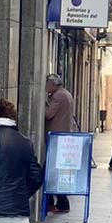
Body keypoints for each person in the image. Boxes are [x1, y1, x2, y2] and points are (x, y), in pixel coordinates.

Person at [44, 74, 76, 211]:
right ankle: (53, 202)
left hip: (57, 138)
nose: (46, 86)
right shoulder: (66, 94)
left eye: (47, 83)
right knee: (53, 170)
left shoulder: (58, 96)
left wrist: (44, 104)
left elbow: (48, 114)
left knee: (50, 170)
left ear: (53, 84)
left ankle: (60, 202)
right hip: (63, 137)